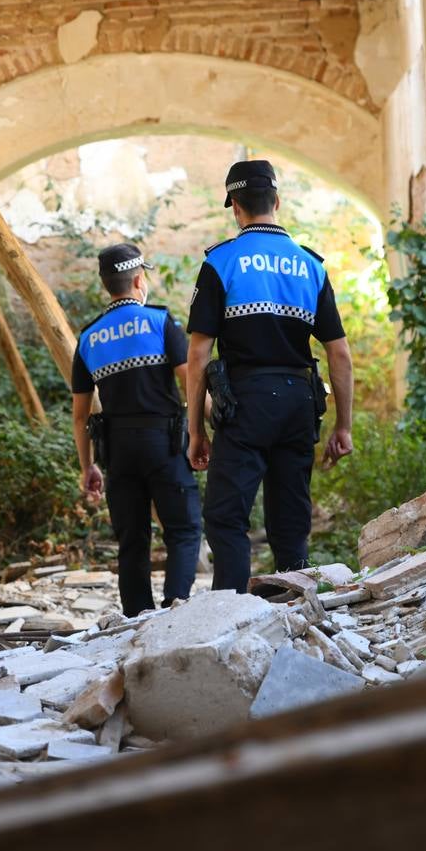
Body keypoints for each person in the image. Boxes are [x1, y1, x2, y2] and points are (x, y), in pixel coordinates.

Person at [184, 159, 354, 593]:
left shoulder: (221, 262)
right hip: (300, 401)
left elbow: (199, 352)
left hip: (244, 403)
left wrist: (196, 431)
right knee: (290, 516)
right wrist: (344, 425)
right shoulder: (311, 265)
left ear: (236, 207)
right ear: (276, 202)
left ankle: (230, 612)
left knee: (226, 516)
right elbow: (339, 352)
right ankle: (295, 608)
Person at [71, 243, 201, 616]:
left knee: (132, 540)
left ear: (106, 284)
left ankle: (138, 618)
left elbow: (80, 415)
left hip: (119, 451)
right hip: (163, 444)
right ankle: (175, 607)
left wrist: (88, 466)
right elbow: (190, 381)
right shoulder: (161, 323)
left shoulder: (88, 338)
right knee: (184, 528)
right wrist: (203, 430)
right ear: (139, 280)